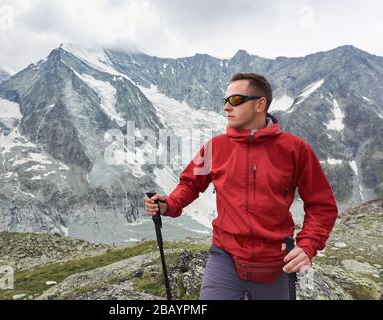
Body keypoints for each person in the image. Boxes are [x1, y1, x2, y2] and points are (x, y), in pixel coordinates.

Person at [144, 72, 338, 300]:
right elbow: (190, 184)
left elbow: (321, 205)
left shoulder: (296, 149)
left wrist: (307, 246)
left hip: (276, 262)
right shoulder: (215, 147)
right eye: (225, 101)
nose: (226, 107)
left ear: (260, 104)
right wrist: (169, 204)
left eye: (234, 100)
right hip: (225, 257)